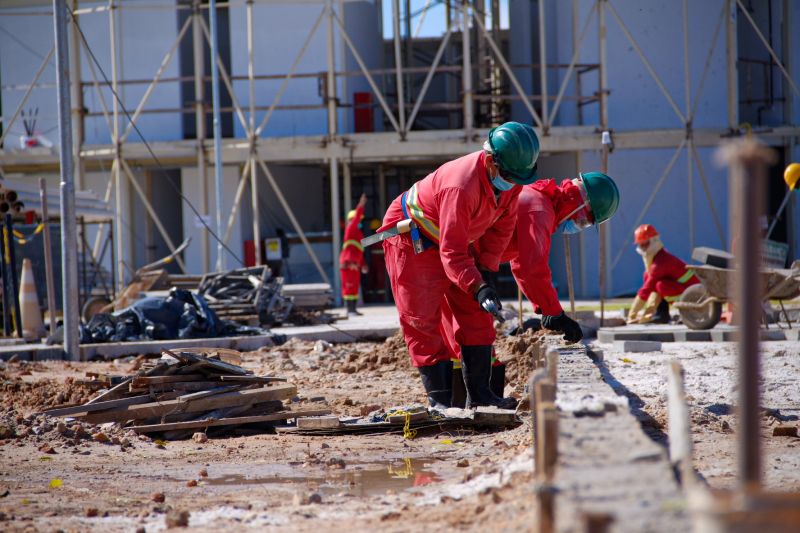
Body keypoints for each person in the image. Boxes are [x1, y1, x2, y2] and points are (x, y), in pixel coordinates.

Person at [378, 121, 540, 410]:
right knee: (422, 318)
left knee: (477, 316)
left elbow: (501, 229)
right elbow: (451, 253)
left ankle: (480, 397)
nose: (513, 183)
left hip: (453, 239)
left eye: (518, 178)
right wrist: (477, 286)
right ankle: (439, 401)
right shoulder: (460, 186)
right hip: (413, 238)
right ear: (491, 161)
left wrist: (486, 274)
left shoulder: (509, 181)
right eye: (508, 176)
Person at [440, 172, 619, 401]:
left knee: (460, 336)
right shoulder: (539, 209)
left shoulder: (538, 200)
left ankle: (458, 404)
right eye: (583, 220)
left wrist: (544, 307)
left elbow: (519, 264)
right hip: (464, 265)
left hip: (460, 263)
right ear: (578, 202)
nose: (577, 226)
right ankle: (480, 404)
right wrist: (554, 312)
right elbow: (532, 267)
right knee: (476, 333)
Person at [627, 224, 699, 324]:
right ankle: (661, 314)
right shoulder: (658, 258)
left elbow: (647, 289)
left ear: (654, 241)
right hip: (688, 290)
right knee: (649, 277)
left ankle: (687, 311)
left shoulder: (661, 262)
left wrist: (632, 314)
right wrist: (647, 315)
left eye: (645, 244)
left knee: (660, 285)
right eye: (640, 244)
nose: (643, 248)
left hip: (694, 295)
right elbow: (651, 288)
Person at [340, 194, 368, 316]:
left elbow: (359, 252)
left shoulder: (359, 234)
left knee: (355, 287)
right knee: (349, 286)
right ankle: (349, 310)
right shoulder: (351, 228)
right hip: (348, 264)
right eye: (358, 219)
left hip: (355, 265)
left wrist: (363, 265)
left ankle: (353, 309)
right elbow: (356, 217)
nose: (359, 221)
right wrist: (361, 205)